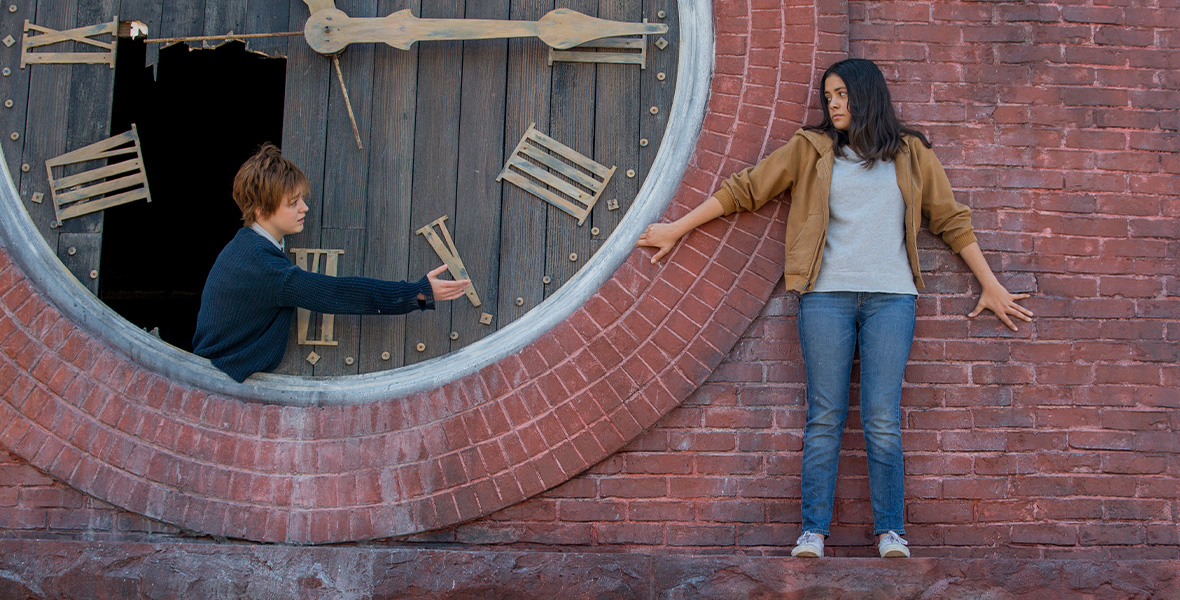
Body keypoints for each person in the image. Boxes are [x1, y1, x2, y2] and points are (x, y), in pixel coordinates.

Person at [637, 59, 1032, 558]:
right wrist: (678, 227)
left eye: (842, 94)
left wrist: (990, 284)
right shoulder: (811, 150)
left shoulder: (911, 153)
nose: (834, 104)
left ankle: (891, 531)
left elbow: (949, 219)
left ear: (868, 95)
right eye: (829, 97)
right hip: (825, 298)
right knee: (824, 416)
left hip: (892, 299)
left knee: (881, 418)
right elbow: (747, 189)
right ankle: (813, 532)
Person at [193, 143, 470, 382]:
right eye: (293, 203)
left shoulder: (248, 246)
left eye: (301, 199)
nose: (304, 208)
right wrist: (418, 294)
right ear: (260, 209)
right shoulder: (261, 264)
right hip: (218, 385)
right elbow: (339, 294)